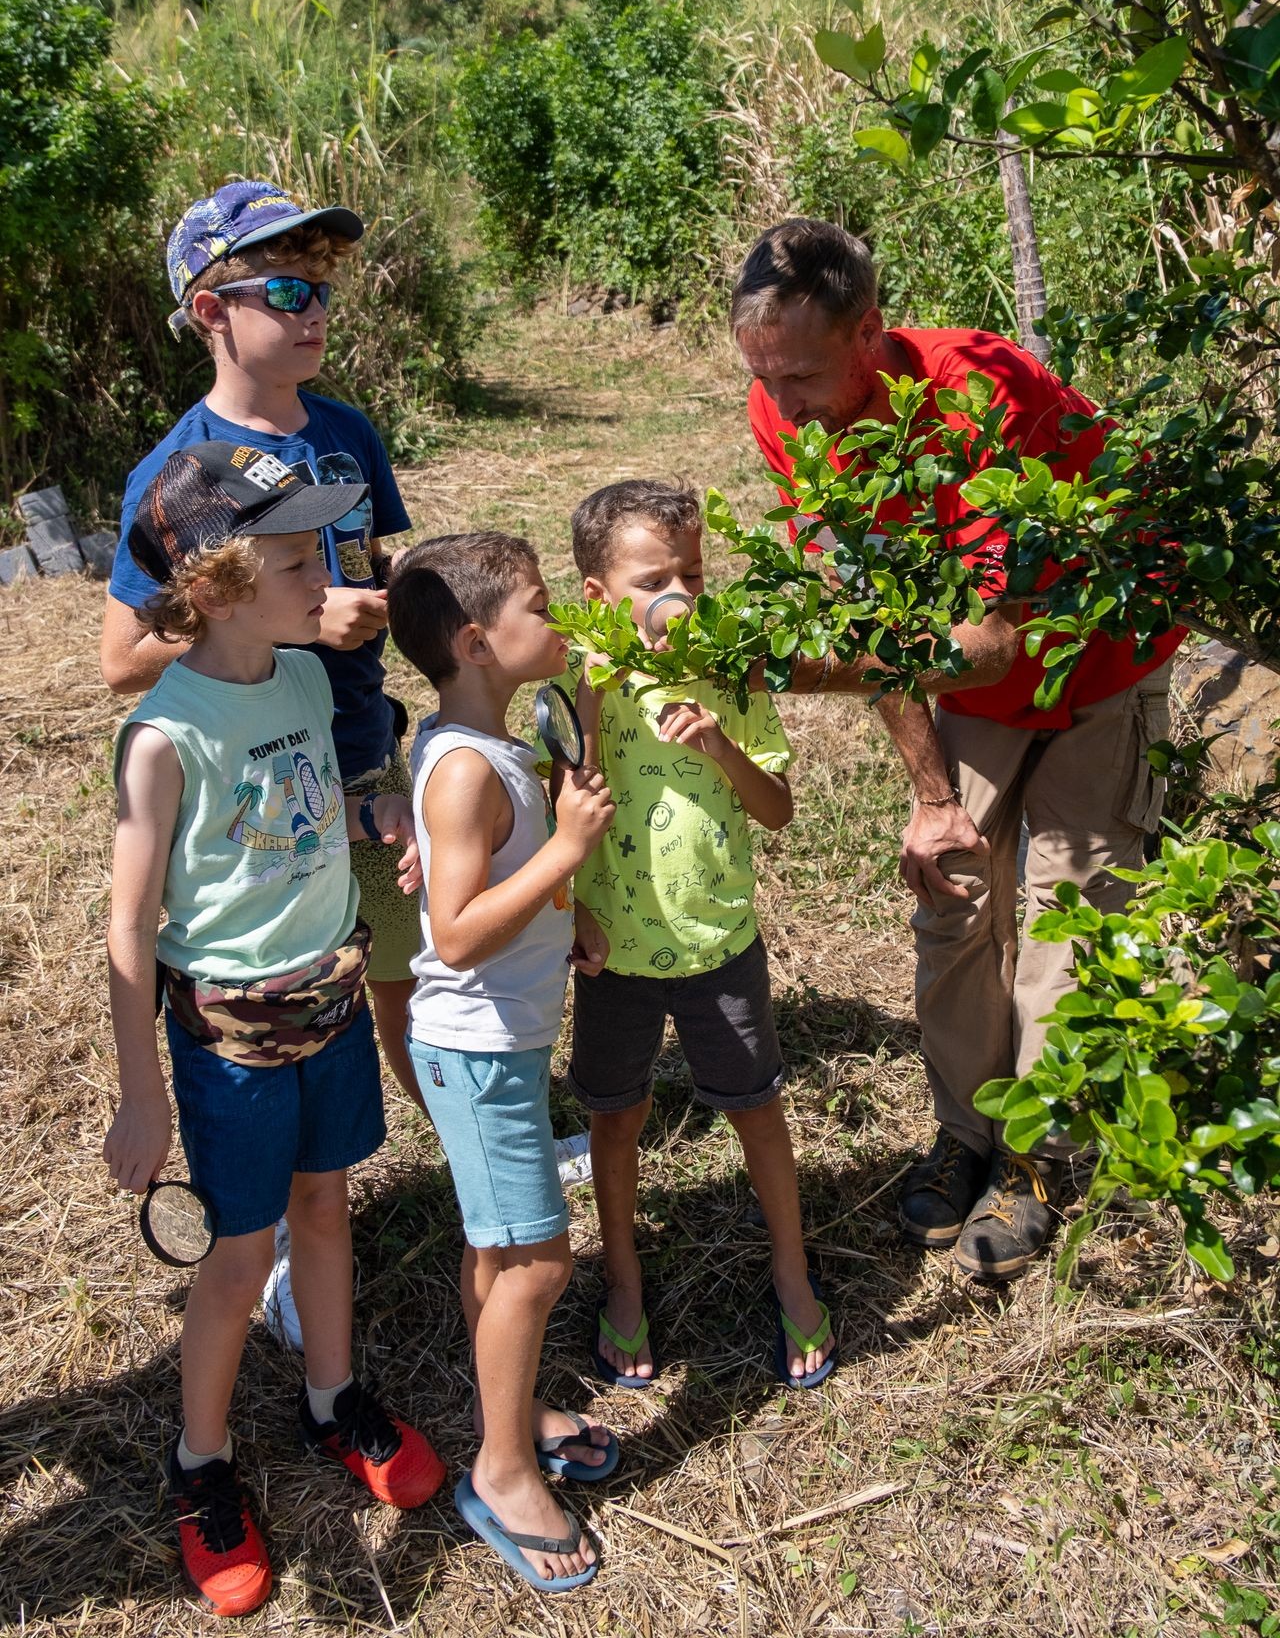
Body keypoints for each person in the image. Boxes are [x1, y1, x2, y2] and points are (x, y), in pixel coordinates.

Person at [731, 218, 1184, 1279]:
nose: (780, 405)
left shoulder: (979, 391)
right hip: (955, 655)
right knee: (951, 889)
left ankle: (1031, 1158)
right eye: (760, 376)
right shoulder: (784, 410)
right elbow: (878, 606)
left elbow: (984, 648)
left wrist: (787, 671)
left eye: (799, 374)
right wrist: (930, 792)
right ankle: (965, 1129)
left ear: (871, 333)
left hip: (1093, 654)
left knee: (1072, 910)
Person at [104, 442, 443, 1620]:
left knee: (326, 1206)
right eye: (300, 557)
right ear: (218, 583)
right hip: (231, 1044)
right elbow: (133, 925)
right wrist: (141, 1091)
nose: (328, 578)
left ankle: (333, 1395)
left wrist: (373, 802)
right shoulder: (164, 736)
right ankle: (200, 1464)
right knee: (241, 1259)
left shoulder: (302, 681)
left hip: (335, 1005)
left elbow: (313, 794)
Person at [99, 181, 423, 1115]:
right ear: (211, 311)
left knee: (396, 973)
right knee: (278, 985)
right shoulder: (177, 473)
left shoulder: (347, 433)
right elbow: (123, 658)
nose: (314, 310)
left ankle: (448, 1155)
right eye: (284, 293)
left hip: (359, 753)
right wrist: (300, 627)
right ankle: (273, 1191)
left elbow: (370, 558)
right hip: (262, 786)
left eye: (319, 289)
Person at [386, 532, 618, 1593]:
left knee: (498, 1246)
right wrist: (567, 853)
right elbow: (455, 930)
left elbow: (494, 894)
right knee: (536, 1259)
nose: (557, 615)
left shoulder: (493, 745)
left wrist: (558, 912)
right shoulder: (467, 769)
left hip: (500, 1042)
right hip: (475, 1052)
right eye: (537, 603)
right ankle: (504, 1469)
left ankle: (510, 1409)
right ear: (479, 642)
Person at [567, 480, 837, 1389]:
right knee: (618, 1118)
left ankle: (791, 1272)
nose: (681, 595)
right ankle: (626, 1276)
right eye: (654, 580)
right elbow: (559, 806)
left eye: (693, 573)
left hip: (720, 945)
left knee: (756, 1108)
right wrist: (576, 909)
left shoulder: (730, 671)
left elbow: (781, 810)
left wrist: (723, 745)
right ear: (600, 597)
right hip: (616, 959)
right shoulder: (580, 683)